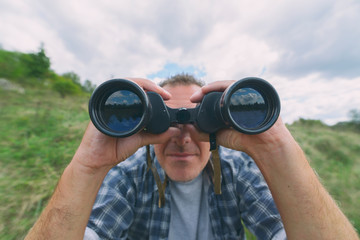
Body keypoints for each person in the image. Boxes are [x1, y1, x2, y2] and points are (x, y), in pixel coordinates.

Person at [25, 74, 358, 240]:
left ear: (218, 122)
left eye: (197, 122)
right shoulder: (129, 175)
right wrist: (88, 165)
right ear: (147, 125)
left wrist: (275, 149)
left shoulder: (236, 170)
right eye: (167, 121)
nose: (183, 136)